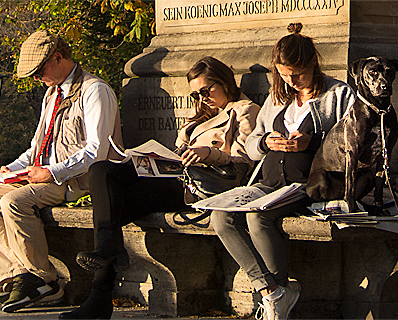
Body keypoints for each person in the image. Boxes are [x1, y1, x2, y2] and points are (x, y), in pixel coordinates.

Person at [59, 56, 261, 319]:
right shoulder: (199, 116)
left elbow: (243, 166)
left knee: (108, 208)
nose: (202, 98)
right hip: (174, 178)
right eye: (196, 94)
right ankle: (104, 266)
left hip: (200, 187)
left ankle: (100, 292)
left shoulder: (244, 110)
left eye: (206, 90)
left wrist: (208, 154)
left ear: (224, 82)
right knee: (102, 173)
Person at [0, 30, 124, 313]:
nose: (37, 79)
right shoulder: (51, 95)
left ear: (58, 58)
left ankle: (43, 279)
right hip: (41, 175)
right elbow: (37, 146)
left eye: (39, 71)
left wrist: (51, 172)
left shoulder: (94, 90)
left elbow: (96, 152)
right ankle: (21, 275)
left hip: (76, 180)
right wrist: (12, 168)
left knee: (14, 202)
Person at [211, 23, 356, 320]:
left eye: (298, 74)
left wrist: (313, 141)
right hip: (269, 183)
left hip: (310, 185)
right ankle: (272, 291)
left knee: (259, 217)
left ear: (313, 63)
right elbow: (252, 145)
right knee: (220, 216)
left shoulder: (337, 94)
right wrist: (265, 142)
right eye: (284, 74)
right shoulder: (278, 96)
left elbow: (352, 143)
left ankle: (276, 302)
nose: (292, 81)